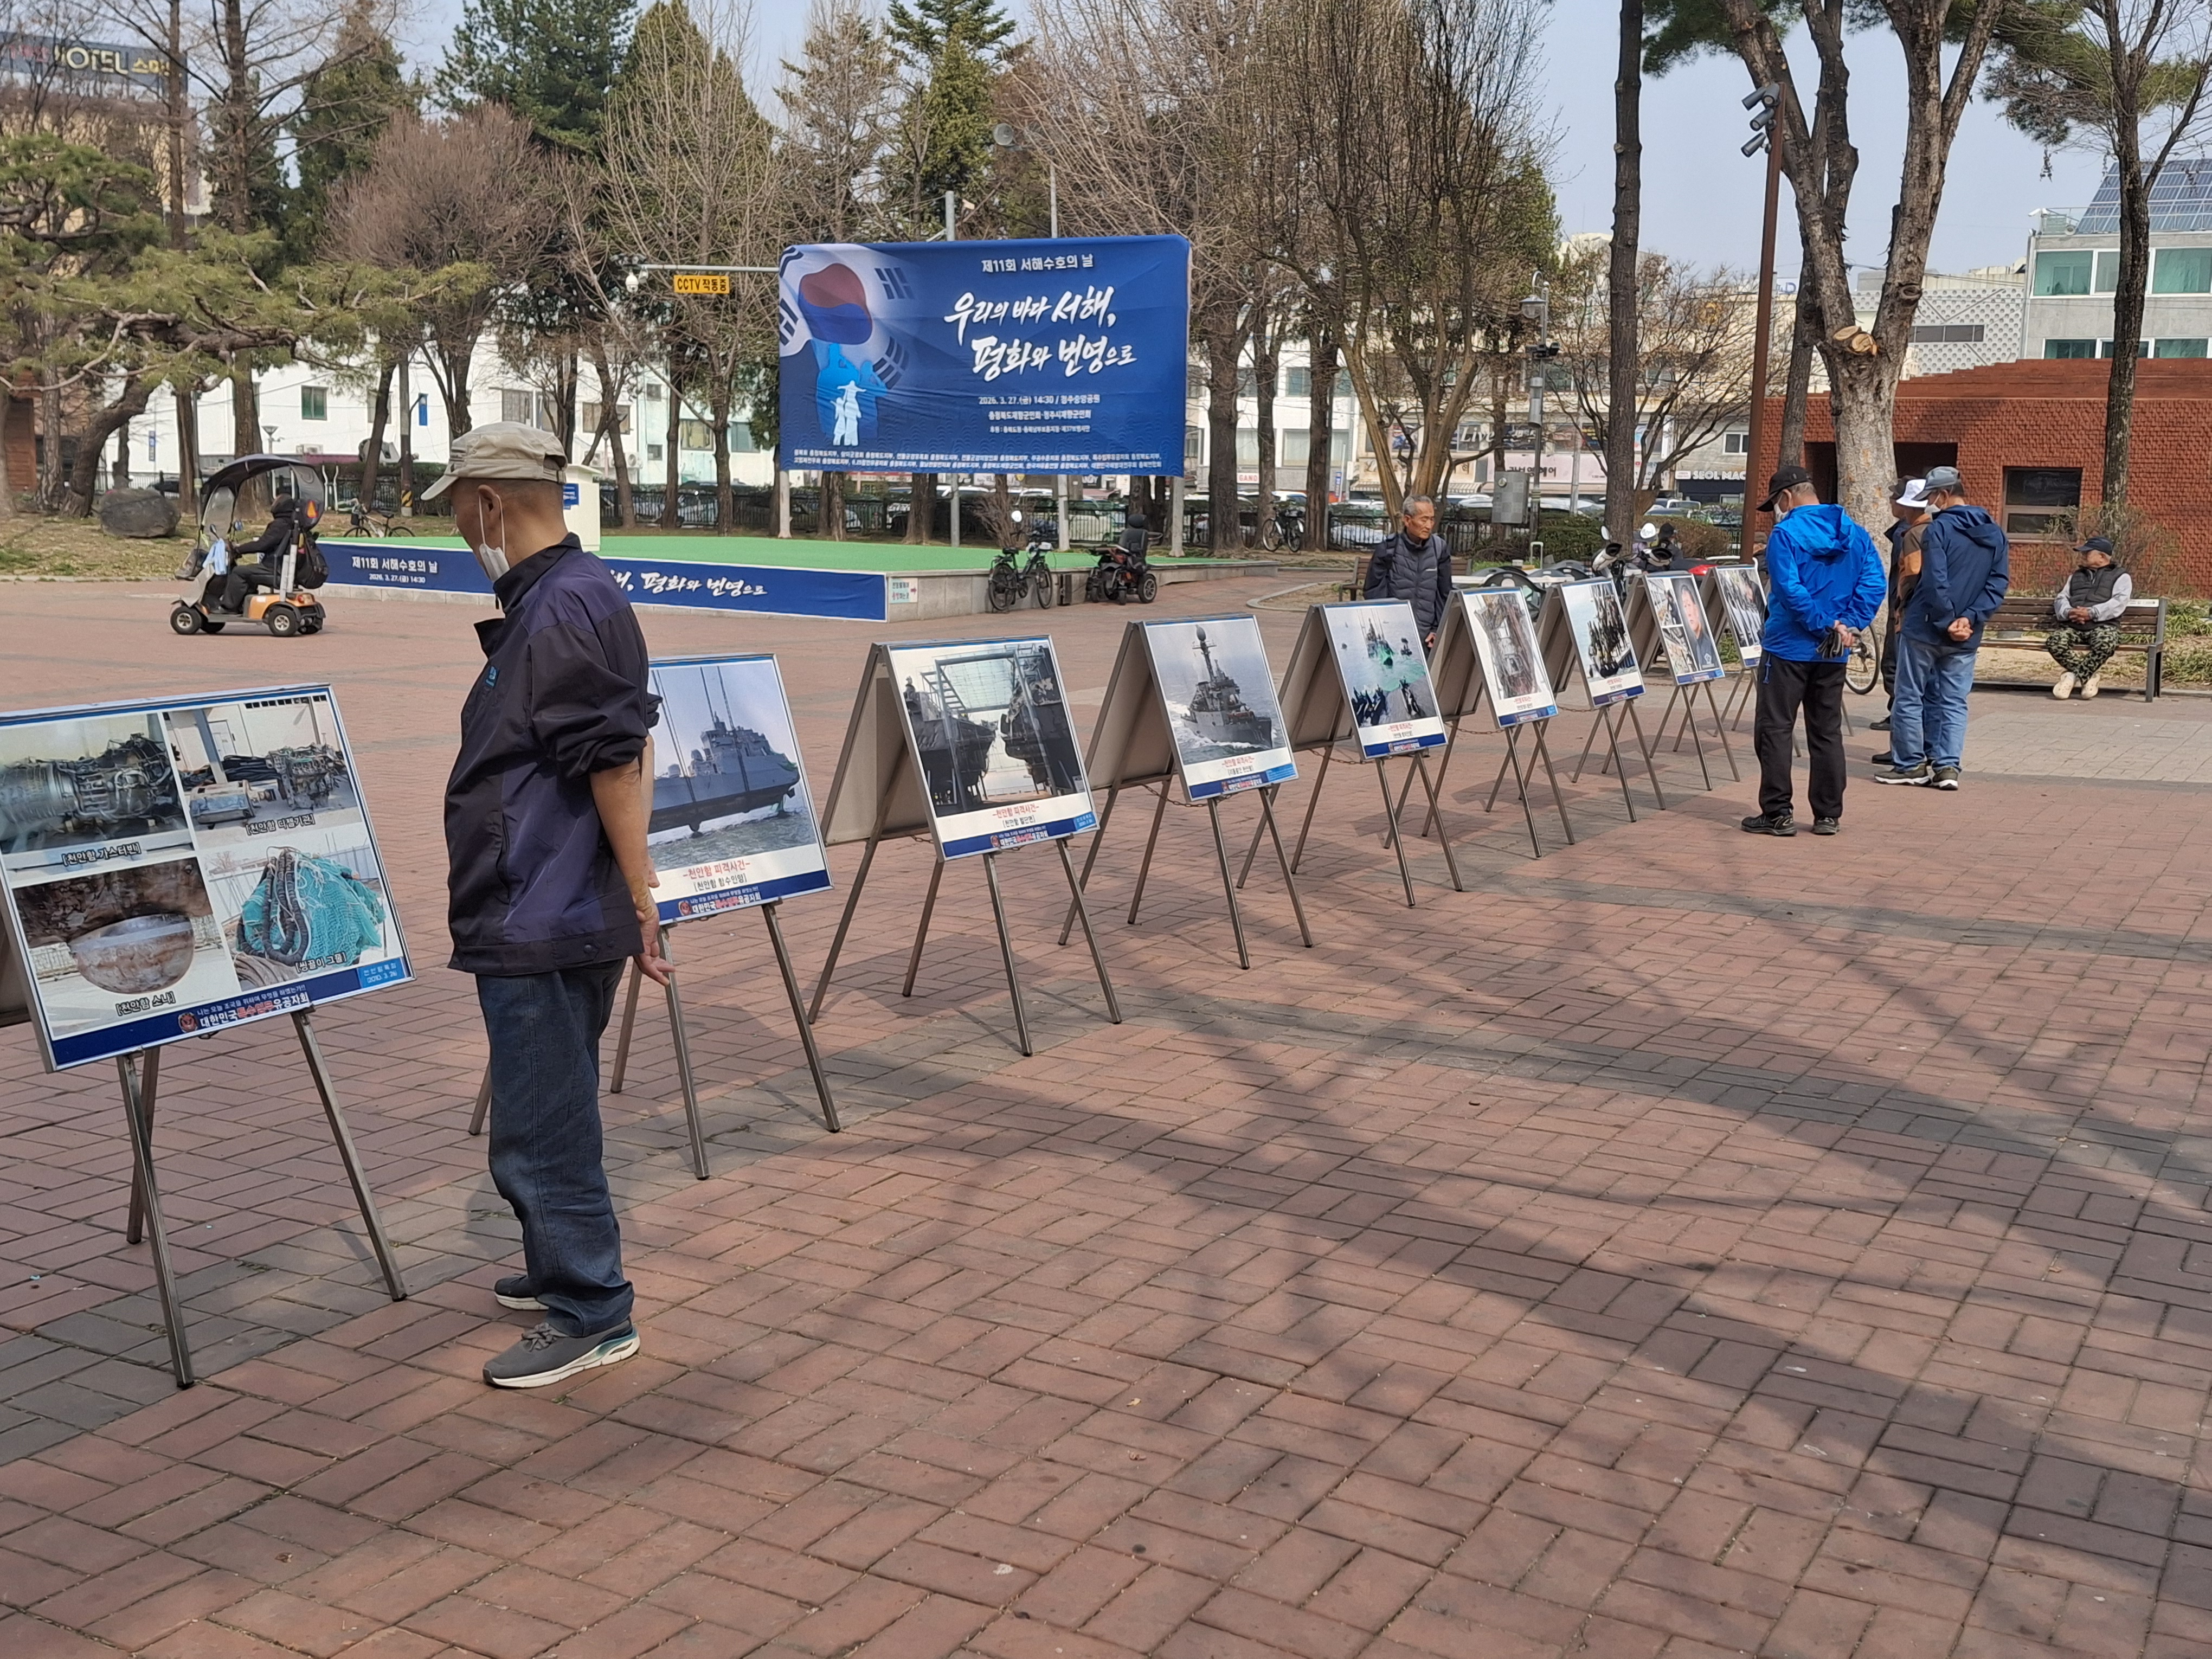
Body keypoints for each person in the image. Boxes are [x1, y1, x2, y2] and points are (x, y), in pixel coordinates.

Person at [432, 422, 669, 1390]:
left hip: (545, 904)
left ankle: (591, 1309)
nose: (455, 525)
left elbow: (614, 757)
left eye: (456, 505)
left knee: (544, 1123)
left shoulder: (565, 604)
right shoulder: (560, 593)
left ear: (488, 501)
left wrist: (642, 897)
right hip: (546, 898)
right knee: (545, 1098)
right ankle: (556, 1263)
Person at [1741, 464, 1885, 837]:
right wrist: (1847, 625)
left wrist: (1825, 624)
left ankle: (1777, 813)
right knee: (1826, 731)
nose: (1777, 510)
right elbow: (1874, 583)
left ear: (1787, 497)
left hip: (1788, 647)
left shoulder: (1785, 534)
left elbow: (1789, 590)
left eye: (1776, 502)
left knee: (1775, 729)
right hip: (1833, 651)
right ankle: (1828, 814)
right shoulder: (1855, 533)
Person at [1877, 465, 2009, 792]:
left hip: (1925, 627)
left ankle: (1911, 764)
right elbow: (1997, 583)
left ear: (1944, 494)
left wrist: (1947, 619)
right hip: (1967, 634)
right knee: (1953, 700)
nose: (1928, 503)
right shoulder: (1995, 532)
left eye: (1931, 497)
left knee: (1910, 696)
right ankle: (1947, 765)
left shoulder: (1938, 530)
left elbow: (1935, 580)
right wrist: (1970, 618)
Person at [1870, 478, 1931, 744]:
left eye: (1895, 498)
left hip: (1904, 610)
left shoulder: (1908, 534)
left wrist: (1900, 606)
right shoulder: (1923, 529)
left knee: (1895, 666)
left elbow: (1909, 575)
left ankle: (1901, 728)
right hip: (1911, 610)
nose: (1891, 503)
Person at [2047, 536, 2132, 698]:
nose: (2083, 556)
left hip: (2103, 626)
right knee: (2055, 642)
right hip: (2073, 625)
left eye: (2088, 553)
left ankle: (2072, 677)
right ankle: (2089, 676)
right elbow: (2062, 597)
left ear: (2102, 557)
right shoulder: (2076, 576)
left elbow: (2119, 602)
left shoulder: (2121, 576)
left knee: (2106, 643)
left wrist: (2092, 613)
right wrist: (2069, 612)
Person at [1365, 495, 1452, 648]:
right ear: (1407, 520)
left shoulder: (1440, 549)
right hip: (1393, 636)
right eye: (1424, 520)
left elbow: (1444, 594)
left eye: (1432, 520)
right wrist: (1383, 630)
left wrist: (1437, 629)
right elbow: (1374, 593)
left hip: (1427, 639)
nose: (1429, 526)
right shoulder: (1388, 549)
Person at [221, 496, 299, 613]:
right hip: (283, 568)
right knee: (249, 571)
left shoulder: (280, 525)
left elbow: (262, 545)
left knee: (239, 572)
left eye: (275, 502)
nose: (273, 504)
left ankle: (229, 607)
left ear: (281, 507)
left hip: (274, 569)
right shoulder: (293, 524)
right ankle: (245, 605)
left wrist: (238, 550)